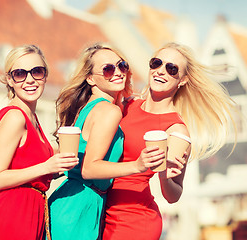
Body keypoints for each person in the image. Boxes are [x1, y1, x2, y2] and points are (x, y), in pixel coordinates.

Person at [102, 42, 238, 240]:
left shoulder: (176, 130)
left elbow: (173, 196)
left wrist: (165, 176)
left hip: (134, 219)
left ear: (182, 80)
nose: (161, 71)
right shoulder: (126, 104)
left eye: (171, 69)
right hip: (101, 208)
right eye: (156, 63)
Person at [48, 42, 166, 240]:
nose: (118, 72)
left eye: (121, 65)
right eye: (108, 69)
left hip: (70, 201)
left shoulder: (86, 107)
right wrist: (137, 166)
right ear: (91, 79)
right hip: (81, 207)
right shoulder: (110, 111)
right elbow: (89, 168)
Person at [0, 45, 78, 240]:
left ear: (45, 75)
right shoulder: (15, 117)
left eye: (37, 71)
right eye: (20, 74)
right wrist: (45, 166)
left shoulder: (32, 117)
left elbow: (32, 169)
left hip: (30, 213)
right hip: (12, 215)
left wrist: (58, 167)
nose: (30, 79)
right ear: (10, 79)